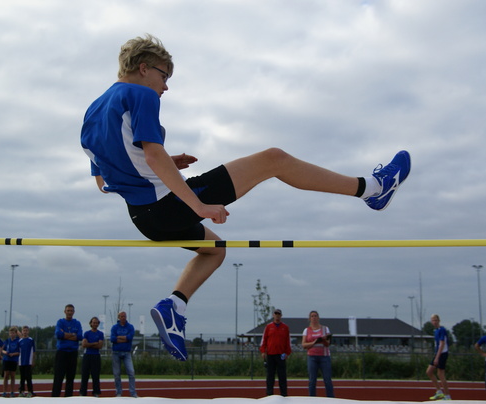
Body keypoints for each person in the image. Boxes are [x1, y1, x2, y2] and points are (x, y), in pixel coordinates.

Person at [80, 34, 412, 361]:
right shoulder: (140, 94)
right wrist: (198, 205)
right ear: (143, 68)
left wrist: (163, 166)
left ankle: (175, 304)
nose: (166, 86)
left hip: (144, 217)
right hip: (171, 205)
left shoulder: (92, 114)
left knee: (214, 250)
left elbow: (104, 181)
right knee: (274, 159)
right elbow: (152, 155)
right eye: (164, 76)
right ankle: (373, 188)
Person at [52, 304, 83, 397]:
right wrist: (73, 335)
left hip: (72, 353)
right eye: (68, 310)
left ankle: (68, 398)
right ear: (65, 311)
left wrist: (65, 335)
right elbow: (59, 334)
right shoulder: (60, 322)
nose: (69, 312)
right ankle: (55, 397)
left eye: (71, 311)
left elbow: (80, 336)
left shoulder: (77, 323)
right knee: (58, 376)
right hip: (62, 352)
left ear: (74, 312)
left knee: (70, 377)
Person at [301, 310, 334, 397]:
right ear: (309, 318)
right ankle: (312, 398)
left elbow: (328, 343)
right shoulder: (306, 330)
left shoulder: (325, 328)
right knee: (312, 380)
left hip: (324, 356)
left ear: (318, 318)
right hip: (312, 356)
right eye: (312, 316)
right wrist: (314, 342)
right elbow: (304, 345)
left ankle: (330, 399)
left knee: (327, 379)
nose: (314, 318)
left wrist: (323, 340)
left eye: (315, 316)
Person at [260, 308, 292, 396]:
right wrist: (263, 351)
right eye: (275, 314)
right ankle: (269, 394)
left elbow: (288, 341)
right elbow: (264, 340)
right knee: (270, 376)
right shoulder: (268, 327)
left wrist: (287, 353)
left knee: (282, 376)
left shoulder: (285, 328)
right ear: (273, 315)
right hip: (270, 354)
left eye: (279, 314)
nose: (277, 315)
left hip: (281, 355)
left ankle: (284, 394)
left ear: (281, 316)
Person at [110, 311, 138, 397]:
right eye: (121, 316)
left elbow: (130, 338)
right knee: (117, 374)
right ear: (119, 317)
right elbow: (112, 339)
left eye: (124, 316)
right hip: (116, 352)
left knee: (131, 372)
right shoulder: (114, 327)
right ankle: (118, 392)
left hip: (127, 352)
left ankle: (133, 392)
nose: (123, 318)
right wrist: (124, 338)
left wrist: (119, 337)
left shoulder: (130, 327)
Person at [426, 314, 451, 400]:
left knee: (440, 374)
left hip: (442, 354)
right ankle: (439, 391)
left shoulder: (442, 330)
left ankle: (447, 395)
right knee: (429, 372)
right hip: (437, 353)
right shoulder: (435, 331)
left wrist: (437, 357)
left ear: (439, 320)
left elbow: (442, 344)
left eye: (436, 320)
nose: (434, 322)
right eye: (433, 320)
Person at [80, 316, 104, 397]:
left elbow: (100, 346)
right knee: (84, 375)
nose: (95, 324)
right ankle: (83, 393)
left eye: (96, 323)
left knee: (95, 375)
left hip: (96, 356)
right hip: (87, 355)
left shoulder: (100, 334)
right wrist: (94, 343)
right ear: (91, 323)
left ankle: (96, 392)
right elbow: (84, 344)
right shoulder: (86, 333)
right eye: (93, 322)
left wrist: (89, 344)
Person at [2, 326, 20, 397]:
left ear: (15, 333)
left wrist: (14, 354)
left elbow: (19, 352)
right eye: (11, 333)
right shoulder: (7, 341)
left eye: (13, 333)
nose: (12, 334)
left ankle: (12, 391)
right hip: (6, 359)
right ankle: (4, 391)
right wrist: (5, 352)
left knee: (12, 375)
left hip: (13, 359)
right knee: (6, 375)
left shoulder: (18, 341)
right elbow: (2, 349)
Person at [18, 325, 36, 397]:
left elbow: (34, 351)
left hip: (28, 361)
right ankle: (21, 391)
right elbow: (18, 351)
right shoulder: (20, 341)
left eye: (26, 331)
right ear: (22, 331)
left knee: (28, 377)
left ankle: (30, 391)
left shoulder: (31, 340)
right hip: (21, 361)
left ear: (28, 331)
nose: (25, 332)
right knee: (22, 377)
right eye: (24, 331)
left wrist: (33, 360)